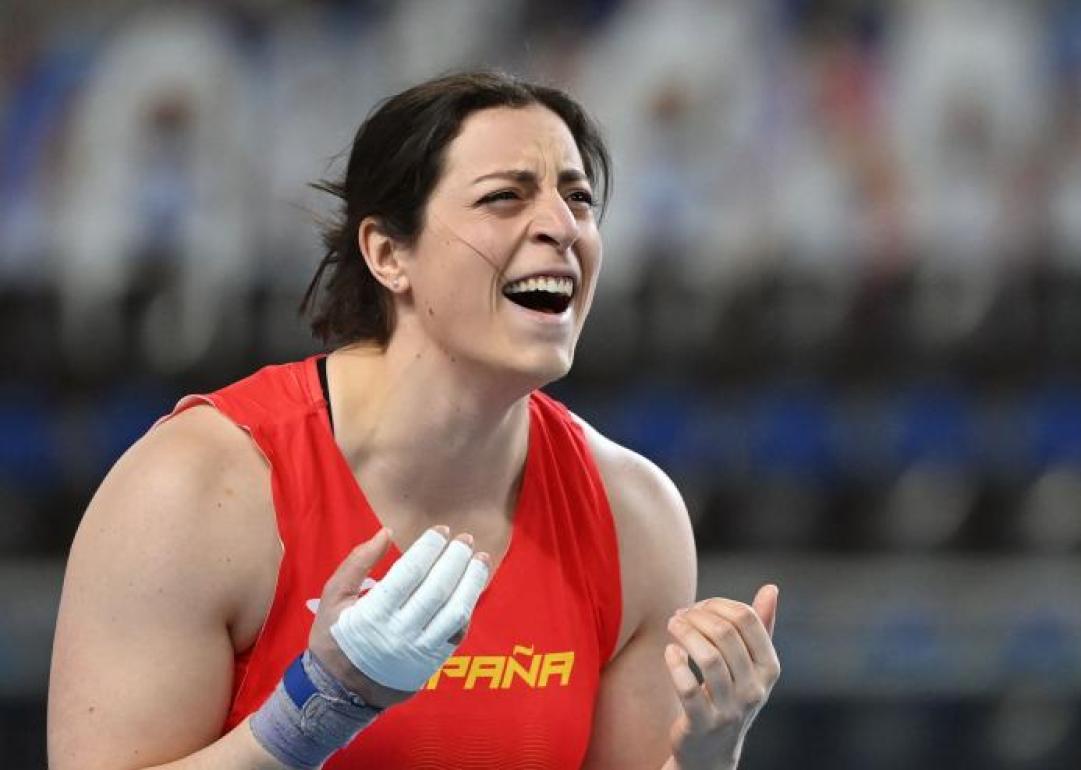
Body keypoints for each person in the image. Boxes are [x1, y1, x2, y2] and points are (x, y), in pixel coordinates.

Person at [48, 70, 781, 769]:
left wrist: (705, 755)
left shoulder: (633, 516)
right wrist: (313, 712)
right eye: (505, 197)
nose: (562, 226)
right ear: (387, 253)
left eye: (579, 198)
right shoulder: (197, 490)